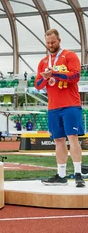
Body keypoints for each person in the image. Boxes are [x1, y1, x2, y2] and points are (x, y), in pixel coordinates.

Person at [35, 28, 85, 188]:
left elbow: (75, 76)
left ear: (59, 40)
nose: (50, 45)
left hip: (71, 104)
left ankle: (78, 174)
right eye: (48, 43)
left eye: (53, 42)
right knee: (58, 140)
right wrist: (45, 78)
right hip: (53, 107)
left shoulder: (69, 56)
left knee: (72, 138)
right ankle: (61, 175)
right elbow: (37, 85)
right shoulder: (43, 62)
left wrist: (54, 74)